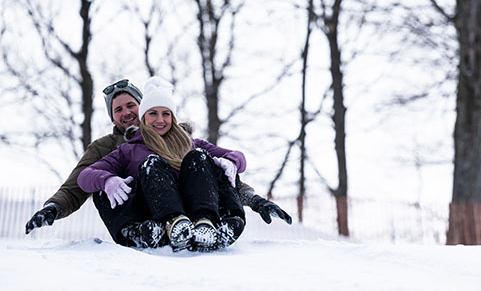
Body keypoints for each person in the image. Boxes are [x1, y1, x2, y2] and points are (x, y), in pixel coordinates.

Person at [25, 78, 291, 243]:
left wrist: (256, 200)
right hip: (137, 205)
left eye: (131, 105)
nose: (126, 112)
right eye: (118, 109)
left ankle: (207, 224)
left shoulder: (181, 139)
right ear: (112, 117)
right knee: (105, 188)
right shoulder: (108, 147)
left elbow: (217, 172)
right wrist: (53, 208)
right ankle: (138, 232)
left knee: (201, 161)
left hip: (181, 204)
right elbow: (78, 183)